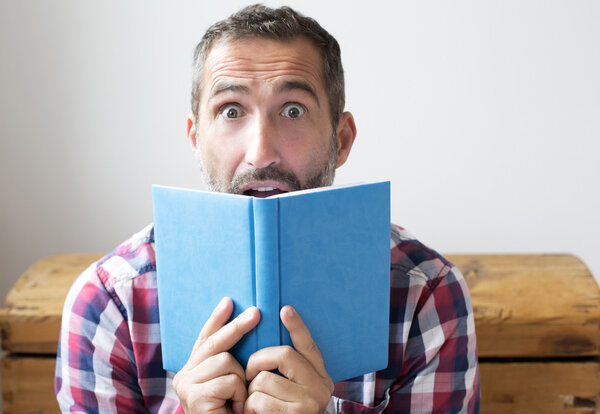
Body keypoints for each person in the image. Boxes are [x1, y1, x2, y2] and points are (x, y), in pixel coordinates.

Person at [55, 4, 480, 413]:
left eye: (293, 110)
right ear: (196, 140)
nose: (260, 153)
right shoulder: (109, 305)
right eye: (231, 110)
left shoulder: (427, 295)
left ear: (342, 140)